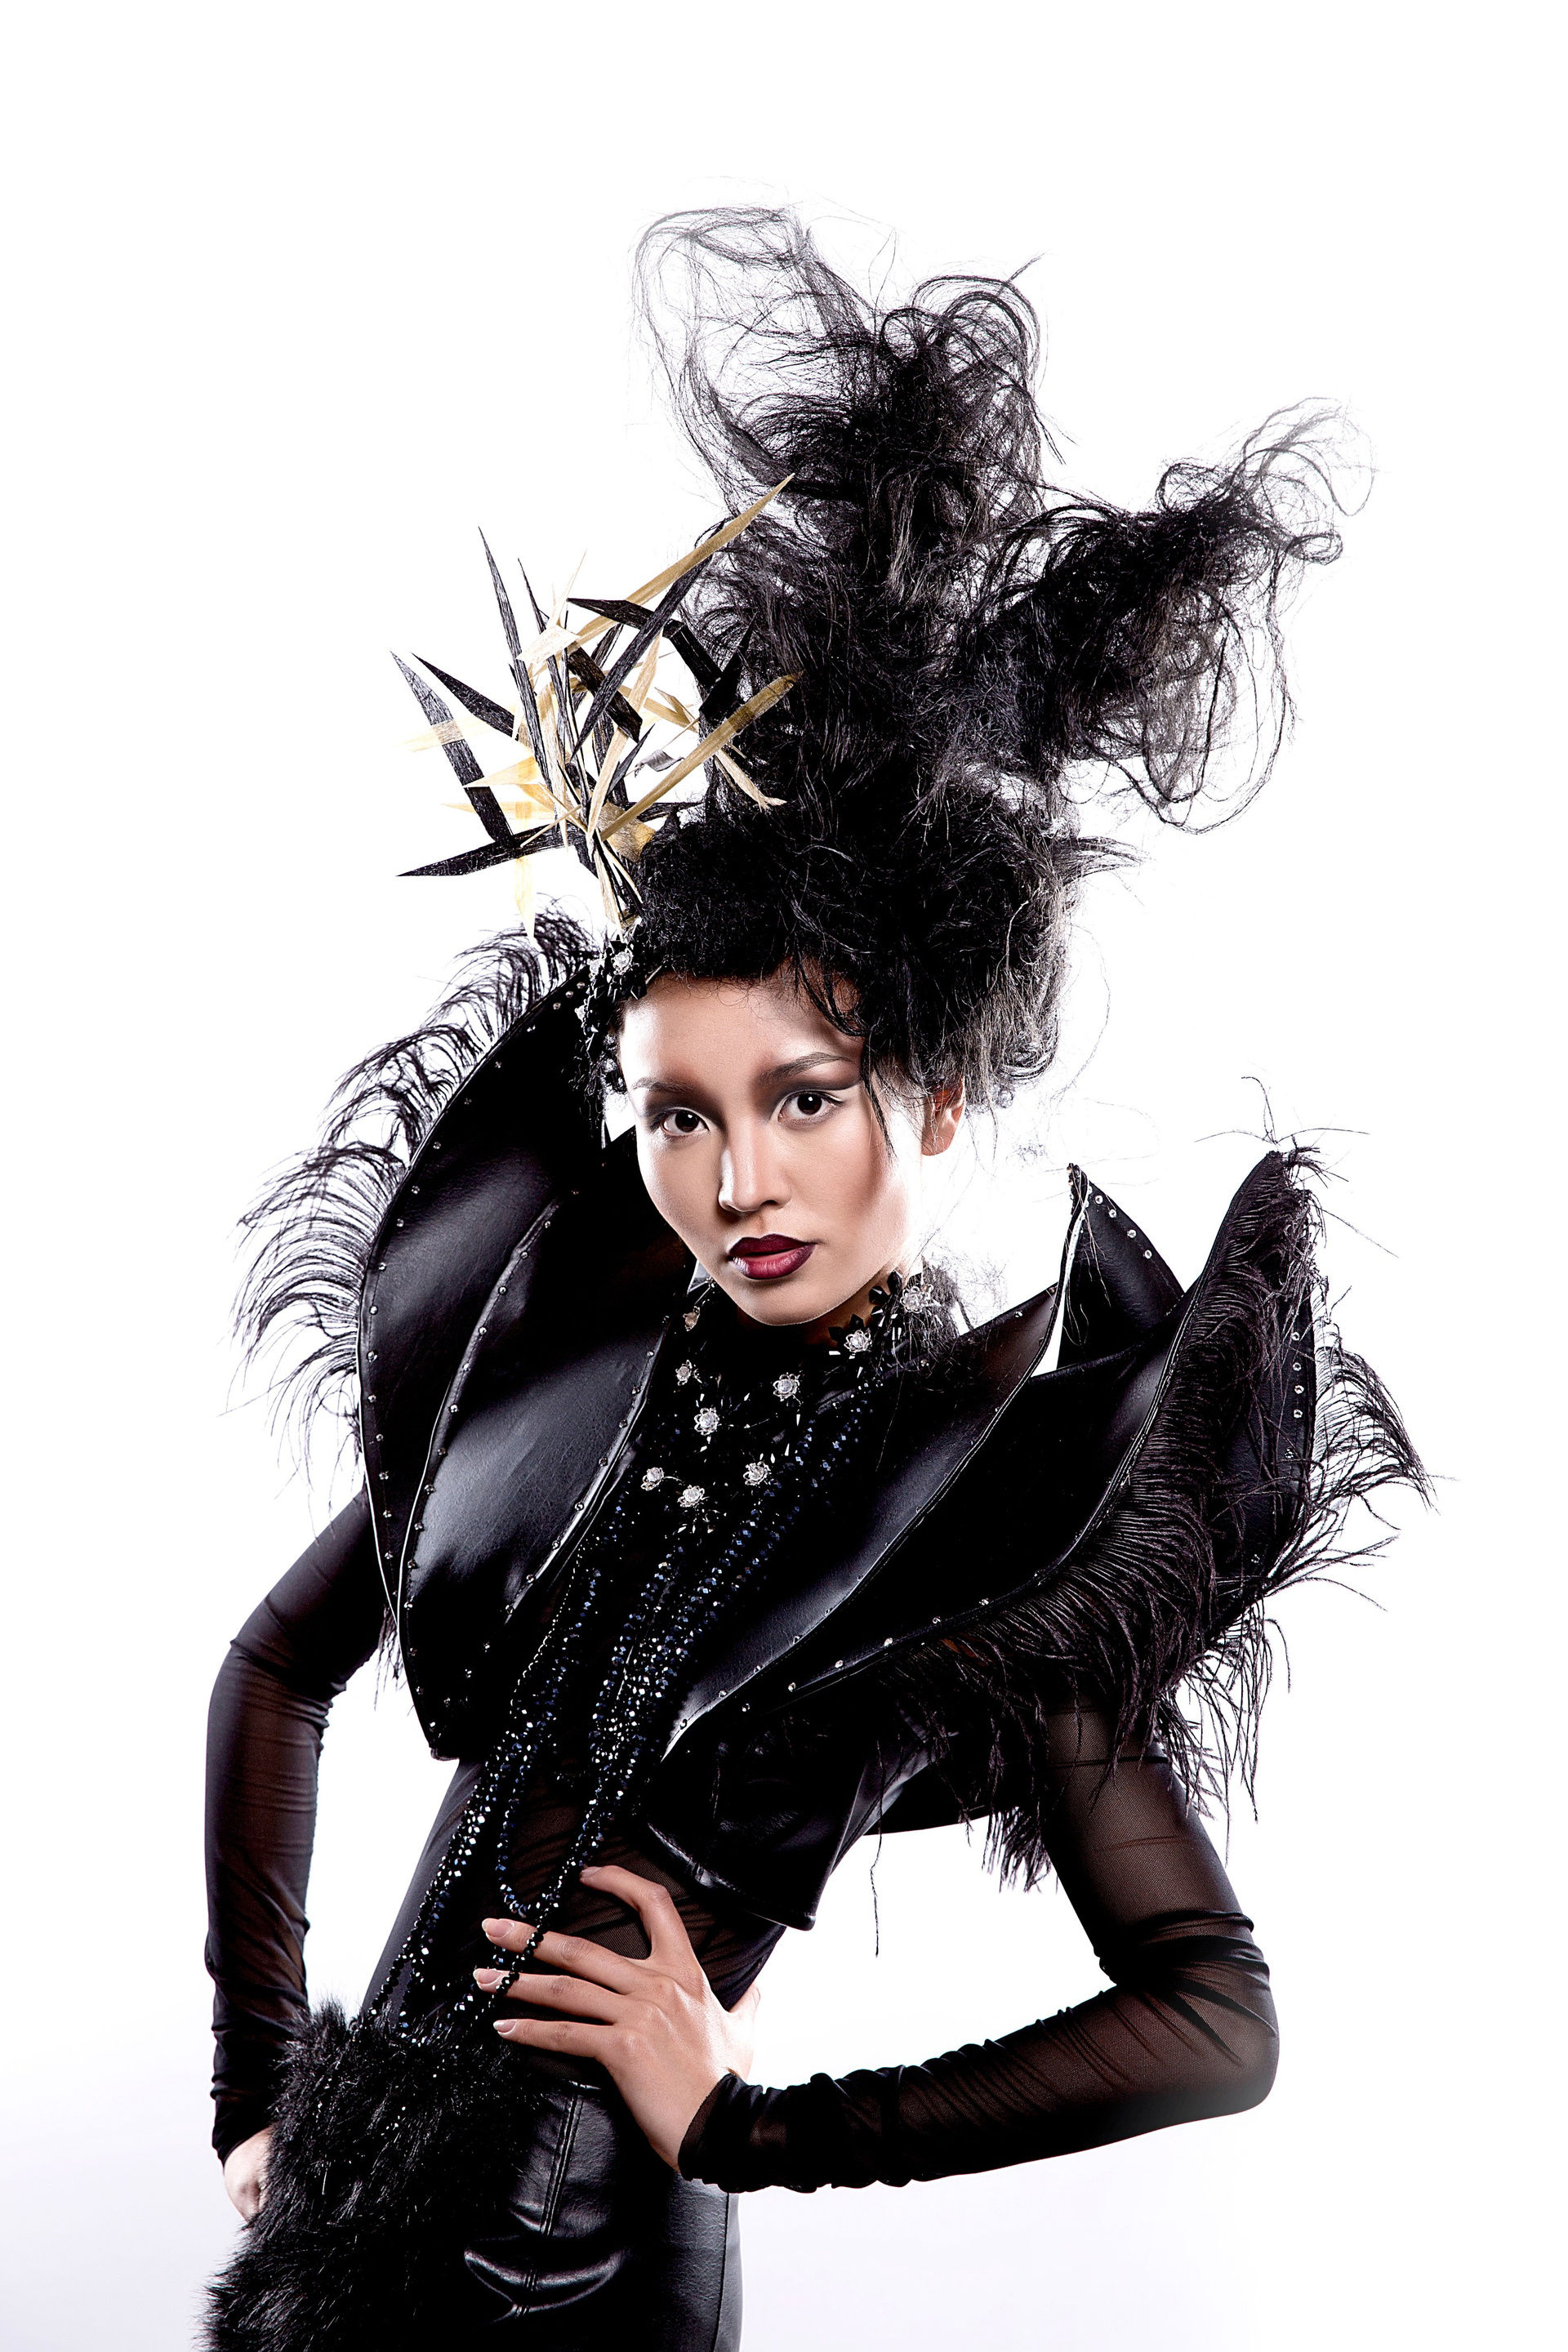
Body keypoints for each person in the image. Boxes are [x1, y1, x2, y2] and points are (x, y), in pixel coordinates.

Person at [204, 208, 1420, 2349]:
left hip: (600, 2282)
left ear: (928, 1101)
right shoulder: (587, 1376)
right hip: (341, 2239)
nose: (736, 1177)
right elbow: (273, 1671)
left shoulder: (983, 1500)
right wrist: (255, 2073)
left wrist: (758, 2129)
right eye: (679, 1114)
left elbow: (1214, 2016)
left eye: (802, 1098)